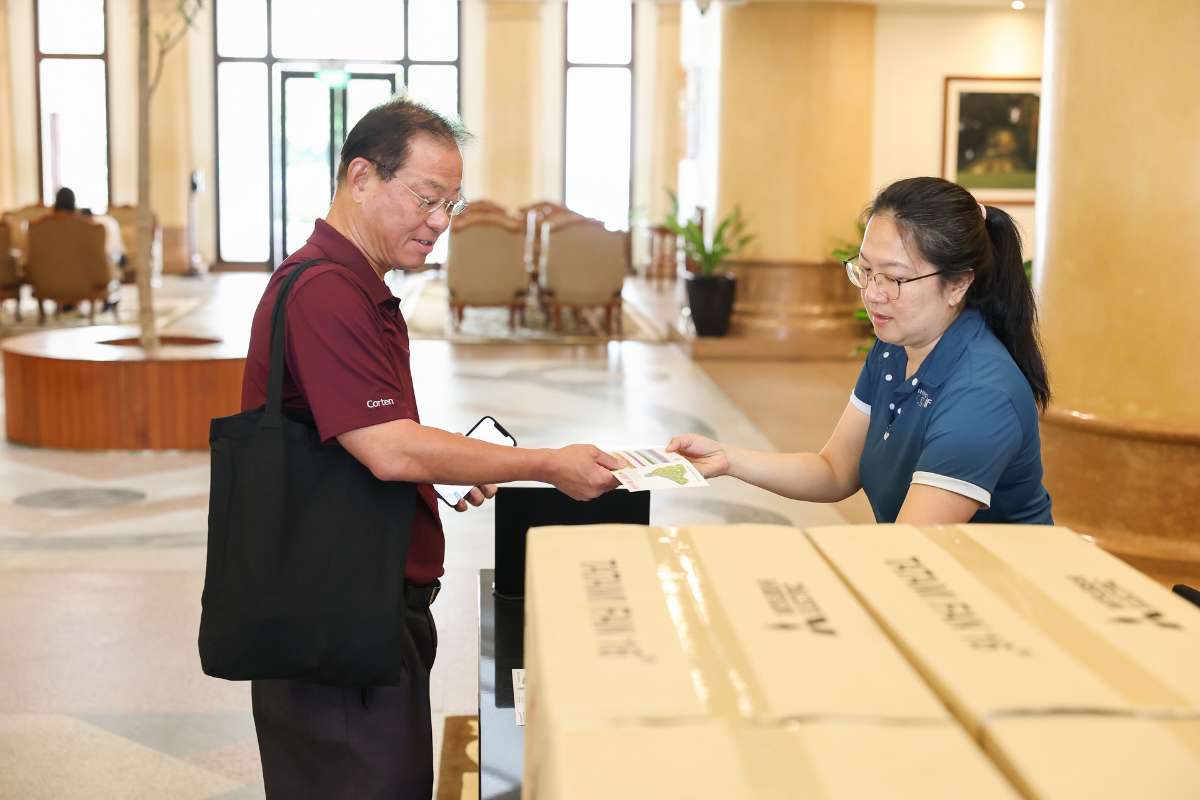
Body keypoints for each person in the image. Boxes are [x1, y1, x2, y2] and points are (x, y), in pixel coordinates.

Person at [240, 98, 620, 798]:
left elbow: (375, 441)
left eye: (451, 203)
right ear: (361, 178)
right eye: (426, 198)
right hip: (335, 625)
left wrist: (441, 469)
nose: (441, 221)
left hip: (361, 604)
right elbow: (389, 449)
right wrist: (543, 465)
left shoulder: (359, 286)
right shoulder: (325, 292)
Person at [669, 176, 1053, 525]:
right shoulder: (894, 349)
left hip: (984, 576)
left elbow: (910, 544)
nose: (872, 294)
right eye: (866, 270)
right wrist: (728, 459)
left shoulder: (981, 393)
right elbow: (834, 470)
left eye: (895, 278)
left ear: (958, 284)